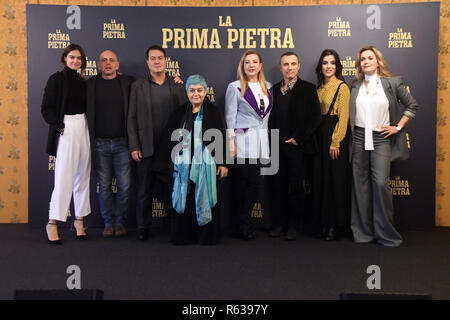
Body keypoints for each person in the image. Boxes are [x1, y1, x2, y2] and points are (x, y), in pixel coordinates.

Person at [350, 46, 419, 247]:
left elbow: (412, 106)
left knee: (380, 183)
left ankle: (386, 234)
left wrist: (398, 127)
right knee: (360, 186)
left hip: (381, 138)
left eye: (370, 58)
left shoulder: (392, 83)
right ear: (359, 64)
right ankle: (363, 233)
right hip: (359, 138)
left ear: (378, 61)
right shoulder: (355, 85)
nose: (366, 62)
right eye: (362, 59)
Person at [155, 75, 228, 245]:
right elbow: (168, 140)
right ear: (187, 92)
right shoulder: (179, 113)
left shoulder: (214, 112)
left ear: (205, 91)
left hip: (206, 168)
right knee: (185, 199)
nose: (196, 94)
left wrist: (223, 163)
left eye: (199, 90)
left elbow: (222, 137)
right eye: (192, 90)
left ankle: (206, 237)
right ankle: (184, 236)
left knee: (205, 198)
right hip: (183, 168)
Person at [128, 45, 186, 240]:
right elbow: (132, 118)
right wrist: (134, 146)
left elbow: (185, 117)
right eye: (152, 58)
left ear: (166, 61)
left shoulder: (177, 85)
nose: (157, 61)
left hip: (171, 149)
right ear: (147, 62)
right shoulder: (138, 86)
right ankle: (143, 228)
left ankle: (174, 227)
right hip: (146, 148)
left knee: (173, 190)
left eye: (160, 58)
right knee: (144, 191)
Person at [268, 52, 321, 240]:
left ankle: (294, 226)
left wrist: (299, 138)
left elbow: (315, 117)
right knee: (277, 187)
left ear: (299, 66)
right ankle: (279, 224)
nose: (289, 67)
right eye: (285, 64)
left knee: (296, 188)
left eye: (293, 64)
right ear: (280, 67)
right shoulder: (273, 90)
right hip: (276, 145)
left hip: (296, 147)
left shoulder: (308, 88)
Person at [41, 43, 90, 244]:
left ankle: (79, 220)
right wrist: (58, 125)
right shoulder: (56, 79)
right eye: (72, 57)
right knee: (63, 177)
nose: (75, 61)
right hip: (66, 127)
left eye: (78, 58)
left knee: (84, 174)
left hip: (84, 125)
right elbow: (46, 108)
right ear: (65, 59)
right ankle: (52, 222)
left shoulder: (83, 81)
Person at [86, 50, 135, 237]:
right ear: (98, 65)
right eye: (104, 61)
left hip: (123, 143)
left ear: (117, 64)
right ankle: (108, 223)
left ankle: (120, 222)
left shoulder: (128, 82)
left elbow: (153, 81)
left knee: (125, 185)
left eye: (111, 60)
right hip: (99, 144)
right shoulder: (90, 85)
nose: (108, 63)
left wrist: (175, 79)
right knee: (104, 186)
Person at [225, 50, 272, 240]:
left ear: (260, 65)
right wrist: (231, 142)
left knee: (255, 184)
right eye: (247, 62)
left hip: (261, 143)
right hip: (242, 142)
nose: (251, 65)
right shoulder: (234, 87)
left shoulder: (268, 86)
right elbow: (230, 116)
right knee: (241, 184)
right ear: (242, 66)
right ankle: (242, 224)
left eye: (254, 62)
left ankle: (244, 221)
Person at [313, 49, 351, 241]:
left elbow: (343, 117)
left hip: (334, 137)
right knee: (321, 180)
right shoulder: (318, 88)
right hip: (319, 137)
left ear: (337, 66)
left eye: (332, 63)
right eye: (325, 62)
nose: (329, 66)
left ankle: (334, 225)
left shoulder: (342, 87)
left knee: (334, 181)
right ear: (321, 66)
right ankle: (322, 222)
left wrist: (336, 141)